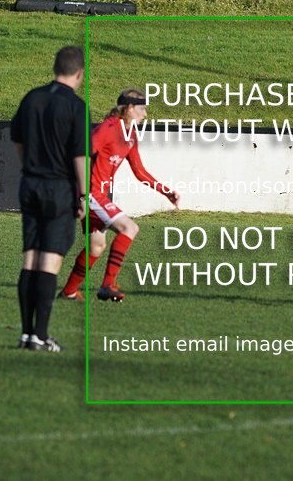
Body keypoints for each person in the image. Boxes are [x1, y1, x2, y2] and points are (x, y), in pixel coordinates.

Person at [59, 88, 179, 303]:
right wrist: (77, 192)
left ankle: (68, 291)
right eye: (142, 109)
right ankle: (108, 285)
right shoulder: (108, 128)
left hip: (98, 195)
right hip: (91, 193)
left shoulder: (130, 135)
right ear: (130, 108)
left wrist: (166, 191)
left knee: (97, 246)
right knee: (129, 228)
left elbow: (140, 171)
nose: (145, 114)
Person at [11, 46, 87, 352]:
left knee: (30, 257)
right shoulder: (76, 107)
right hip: (59, 188)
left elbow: (17, 137)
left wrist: (28, 166)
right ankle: (41, 335)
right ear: (79, 73)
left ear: (55, 67)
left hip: (30, 183)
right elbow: (80, 155)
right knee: (50, 261)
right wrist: (83, 194)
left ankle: (27, 333)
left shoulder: (32, 97)